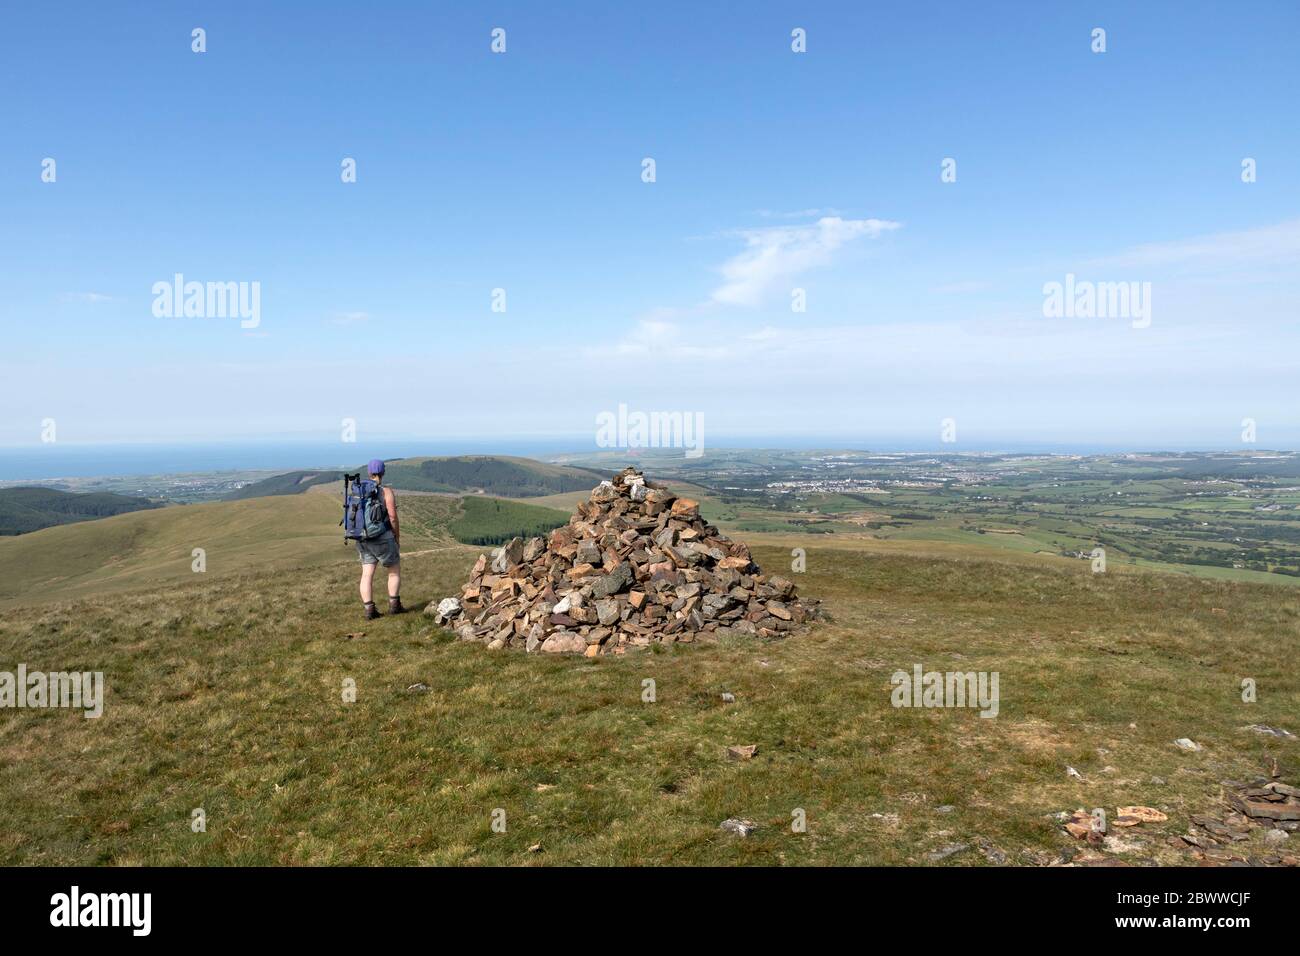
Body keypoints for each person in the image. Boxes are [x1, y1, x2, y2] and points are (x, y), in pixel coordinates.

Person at [356, 458, 403, 619]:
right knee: (393, 571)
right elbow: (393, 517)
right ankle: (394, 606)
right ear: (382, 473)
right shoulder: (385, 492)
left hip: (362, 538)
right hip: (383, 538)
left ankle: (369, 610)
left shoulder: (358, 491)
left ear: (369, 472)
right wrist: (396, 536)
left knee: (367, 574)